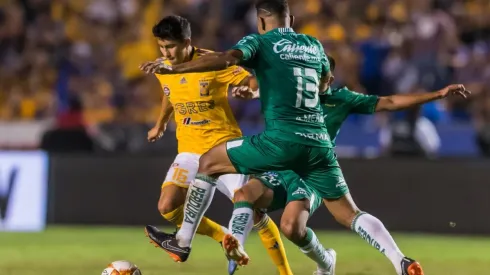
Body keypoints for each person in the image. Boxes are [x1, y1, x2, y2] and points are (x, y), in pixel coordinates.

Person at [140, 1, 339, 272]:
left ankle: (286, 272)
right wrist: (160, 124)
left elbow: (252, 82)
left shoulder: (212, 62)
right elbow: (170, 95)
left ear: (187, 41)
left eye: (171, 47)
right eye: (162, 47)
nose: (166, 53)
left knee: (255, 211)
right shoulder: (164, 68)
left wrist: (249, 89)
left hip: (223, 147)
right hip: (188, 150)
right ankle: (222, 236)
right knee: (167, 205)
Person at [228, 55, 470, 275]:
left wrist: (437, 95)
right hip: (281, 167)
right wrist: (252, 92)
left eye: (318, 75)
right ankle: (234, 257)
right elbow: (261, 83)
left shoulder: (341, 99)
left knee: (292, 228)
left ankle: (387, 262)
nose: (310, 79)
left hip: (312, 173)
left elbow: (390, 101)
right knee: (244, 194)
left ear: (329, 79)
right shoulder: (291, 93)